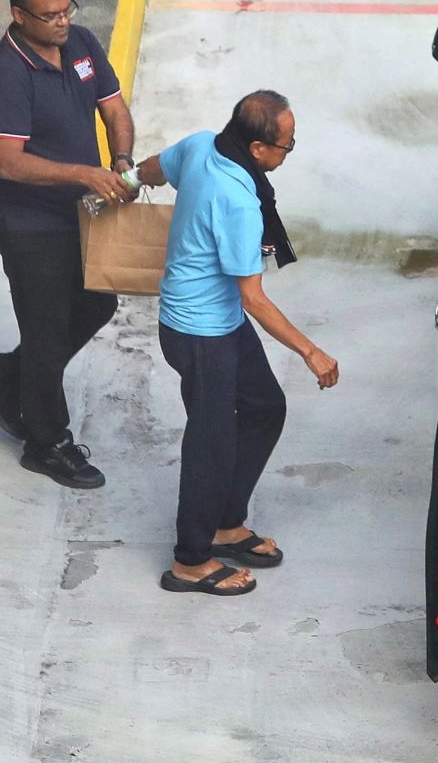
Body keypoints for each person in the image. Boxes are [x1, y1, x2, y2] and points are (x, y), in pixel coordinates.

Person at [136, 90, 339, 596]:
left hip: (219, 323)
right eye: (286, 146)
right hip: (199, 332)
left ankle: (226, 524)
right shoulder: (238, 201)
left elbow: (154, 168)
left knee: (265, 408)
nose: (288, 153)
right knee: (211, 441)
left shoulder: (202, 145)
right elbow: (254, 297)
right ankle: (191, 561)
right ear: (256, 148)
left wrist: (125, 179)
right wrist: (310, 351)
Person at [0, 0, 137, 489]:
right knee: (46, 328)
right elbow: (9, 163)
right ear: (20, 16)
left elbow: (113, 109)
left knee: (98, 302)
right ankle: (47, 444)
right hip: (26, 222)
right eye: (50, 15)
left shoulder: (81, 43)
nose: (63, 21)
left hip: (79, 215)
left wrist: (122, 160)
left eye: (67, 10)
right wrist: (86, 172)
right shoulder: (6, 74)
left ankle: (7, 376)